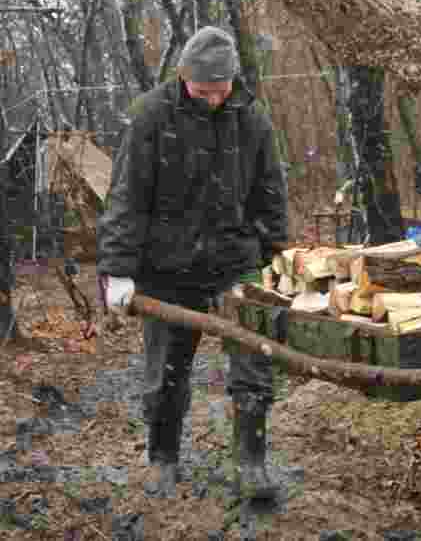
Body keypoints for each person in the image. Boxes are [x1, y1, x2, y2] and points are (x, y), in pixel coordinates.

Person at [97, 25, 288, 500]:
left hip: (235, 263)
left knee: (253, 367)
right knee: (165, 373)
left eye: (221, 90)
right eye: (203, 91)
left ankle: (252, 462)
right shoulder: (151, 117)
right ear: (183, 78)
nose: (213, 100)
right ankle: (163, 459)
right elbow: (127, 198)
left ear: (233, 82)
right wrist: (119, 269)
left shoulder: (252, 119)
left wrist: (267, 248)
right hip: (167, 267)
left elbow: (271, 191)